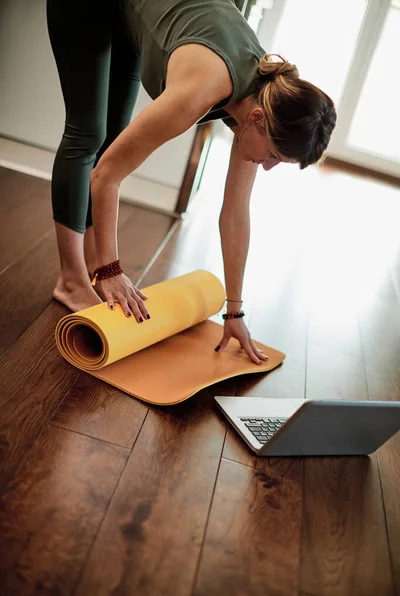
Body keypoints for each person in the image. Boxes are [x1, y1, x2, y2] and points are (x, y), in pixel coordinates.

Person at [47, 0, 336, 365]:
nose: (267, 167)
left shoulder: (264, 99)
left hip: (130, 15)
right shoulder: (199, 91)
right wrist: (112, 270)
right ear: (258, 118)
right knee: (88, 135)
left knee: (114, 137)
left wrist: (234, 313)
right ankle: (73, 280)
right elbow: (106, 176)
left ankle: (91, 268)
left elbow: (234, 215)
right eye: (274, 156)